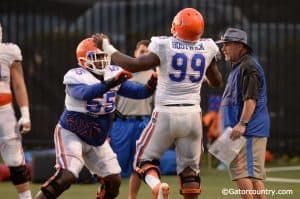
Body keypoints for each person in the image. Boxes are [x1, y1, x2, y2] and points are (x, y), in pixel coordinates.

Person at [93, 7, 222, 199]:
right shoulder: (207, 47)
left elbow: (133, 64)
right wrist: (196, 77)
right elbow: (217, 82)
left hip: (166, 114)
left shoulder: (165, 45)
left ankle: (156, 186)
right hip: (193, 116)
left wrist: (106, 47)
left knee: (143, 160)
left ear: (175, 27)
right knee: (190, 174)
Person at [34, 37, 157, 199]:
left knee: (113, 181)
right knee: (67, 176)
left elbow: (139, 92)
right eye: (96, 58)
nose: (101, 62)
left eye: (103, 57)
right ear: (83, 61)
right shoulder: (75, 75)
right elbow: (85, 94)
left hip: (97, 140)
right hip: (72, 132)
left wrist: (150, 86)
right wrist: (110, 83)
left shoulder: (111, 73)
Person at [216, 28, 270, 199]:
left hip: (246, 130)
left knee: (244, 173)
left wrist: (242, 123)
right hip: (238, 131)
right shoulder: (240, 67)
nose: (223, 48)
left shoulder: (248, 66)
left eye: (227, 44)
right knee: (251, 175)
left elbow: (251, 98)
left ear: (240, 46)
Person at [108, 39, 154, 199]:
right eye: (141, 51)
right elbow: (110, 101)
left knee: (140, 164)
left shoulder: (155, 74)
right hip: (122, 123)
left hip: (144, 122)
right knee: (115, 165)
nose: (144, 54)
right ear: (135, 53)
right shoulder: (123, 72)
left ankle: (131, 197)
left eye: (148, 52)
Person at [0, 23, 32, 199]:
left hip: (4, 110)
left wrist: (25, 114)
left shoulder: (9, 51)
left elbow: (18, 84)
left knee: (15, 160)